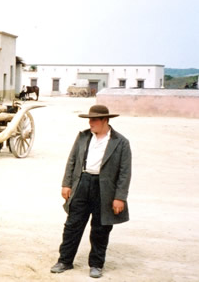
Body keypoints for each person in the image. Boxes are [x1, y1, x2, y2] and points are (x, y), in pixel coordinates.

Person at [50, 105, 132, 278]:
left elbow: (125, 172)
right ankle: (64, 261)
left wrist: (120, 197)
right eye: (89, 119)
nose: (90, 123)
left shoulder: (121, 142)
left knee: (101, 228)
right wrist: (66, 184)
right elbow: (72, 160)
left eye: (94, 119)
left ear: (105, 120)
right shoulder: (83, 137)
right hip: (82, 183)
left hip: (105, 188)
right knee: (72, 224)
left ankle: (96, 264)